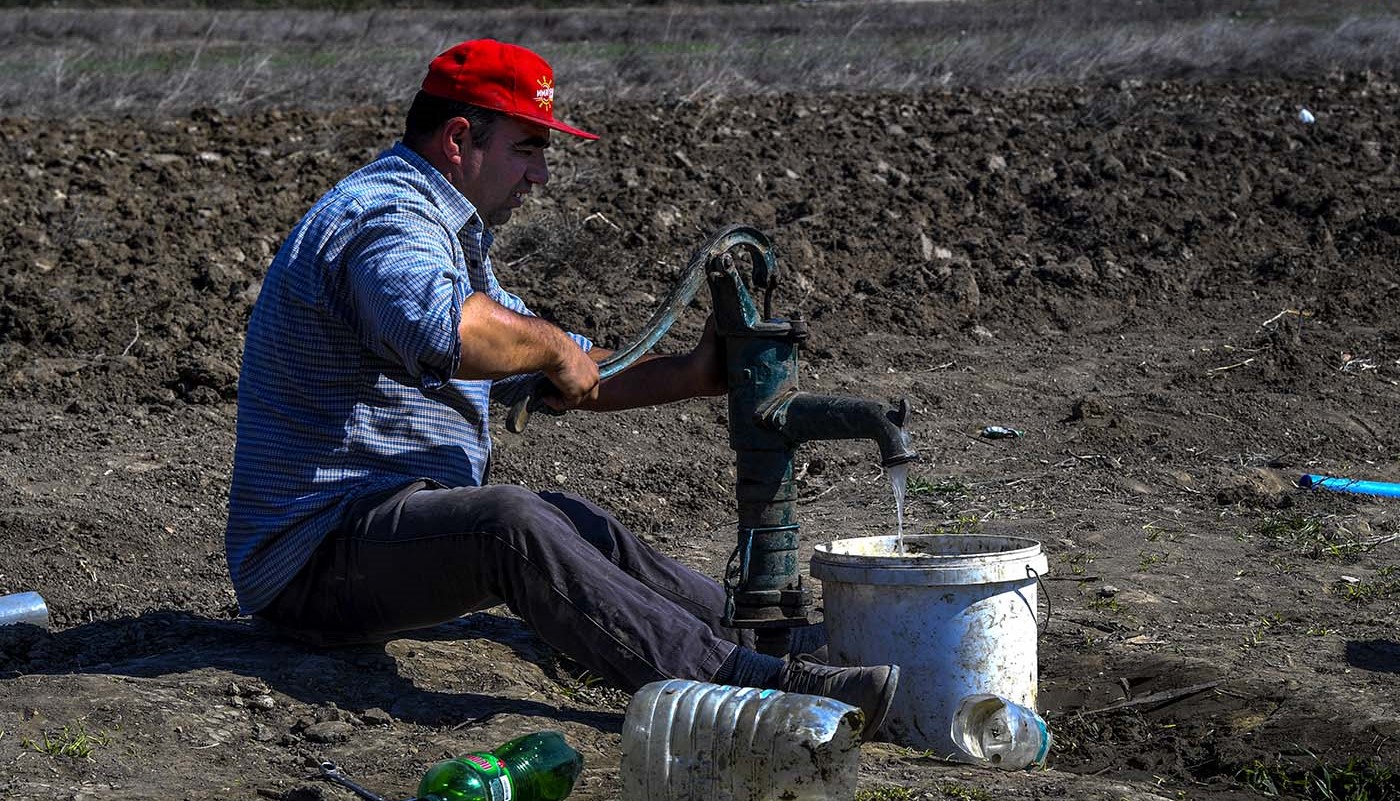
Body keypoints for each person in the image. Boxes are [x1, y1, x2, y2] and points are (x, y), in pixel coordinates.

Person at [224, 39, 899, 737]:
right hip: (312, 562)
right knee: (507, 525)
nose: (540, 174)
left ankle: (780, 643)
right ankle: (748, 687)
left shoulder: (447, 235)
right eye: (527, 148)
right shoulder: (386, 217)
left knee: (569, 516)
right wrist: (547, 344)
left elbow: (564, 364)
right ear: (461, 138)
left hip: (379, 527)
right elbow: (444, 330)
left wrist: (693, 372)